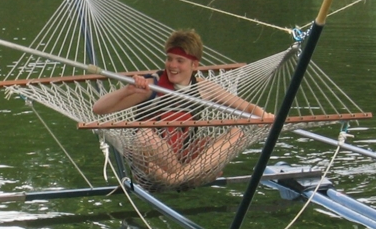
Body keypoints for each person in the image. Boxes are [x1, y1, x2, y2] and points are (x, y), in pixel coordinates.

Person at [93, 30, 271, 188]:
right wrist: (127, 90)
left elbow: (246, 107)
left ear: (195, 65)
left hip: (184, 155)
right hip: (151, 161)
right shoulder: (152, 85)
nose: (172, 65)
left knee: (237, 134)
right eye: (169, 59)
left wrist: (265, 116)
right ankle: (191, 177)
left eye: (180, 60)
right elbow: (99, 109)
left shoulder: (202, 87)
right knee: (144, 136)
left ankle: (176, 178)